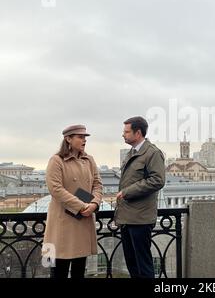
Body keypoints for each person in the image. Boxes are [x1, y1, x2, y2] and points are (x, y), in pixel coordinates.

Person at [43, 124, 103, 278]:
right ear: (68, 139)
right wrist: (82, 206)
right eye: (80, 137)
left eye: (85, 137)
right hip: (62, 223)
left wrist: (94, 204)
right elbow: (56, 189)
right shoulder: (56, 160)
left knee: (79, 270)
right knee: (59, 270)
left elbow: (97, 184)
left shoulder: (89, 160)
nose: (84, 140)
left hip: (83, 220)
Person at [114, 116, 165, 278]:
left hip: (140, 219)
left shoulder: (152, 153)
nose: (123, 135)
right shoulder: (133, 152)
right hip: (128, 218)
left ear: (138, 133)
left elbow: (157, 180)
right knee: (132, 264)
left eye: (126, 132)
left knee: (143, 266)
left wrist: (127, 192)